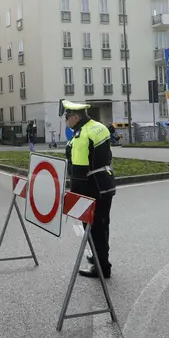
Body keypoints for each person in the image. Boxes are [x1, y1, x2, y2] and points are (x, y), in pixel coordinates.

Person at [61, 100, 116, 279]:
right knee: (102, 224)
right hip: (106, 183)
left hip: (91, 187)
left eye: (67, 117)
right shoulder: (99, 127)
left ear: (76, 117)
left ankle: (102, 268)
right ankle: (100, 257)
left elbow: (78, 172)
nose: (66, 121)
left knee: (92, 228)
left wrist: (73, 196)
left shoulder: (81, 137)